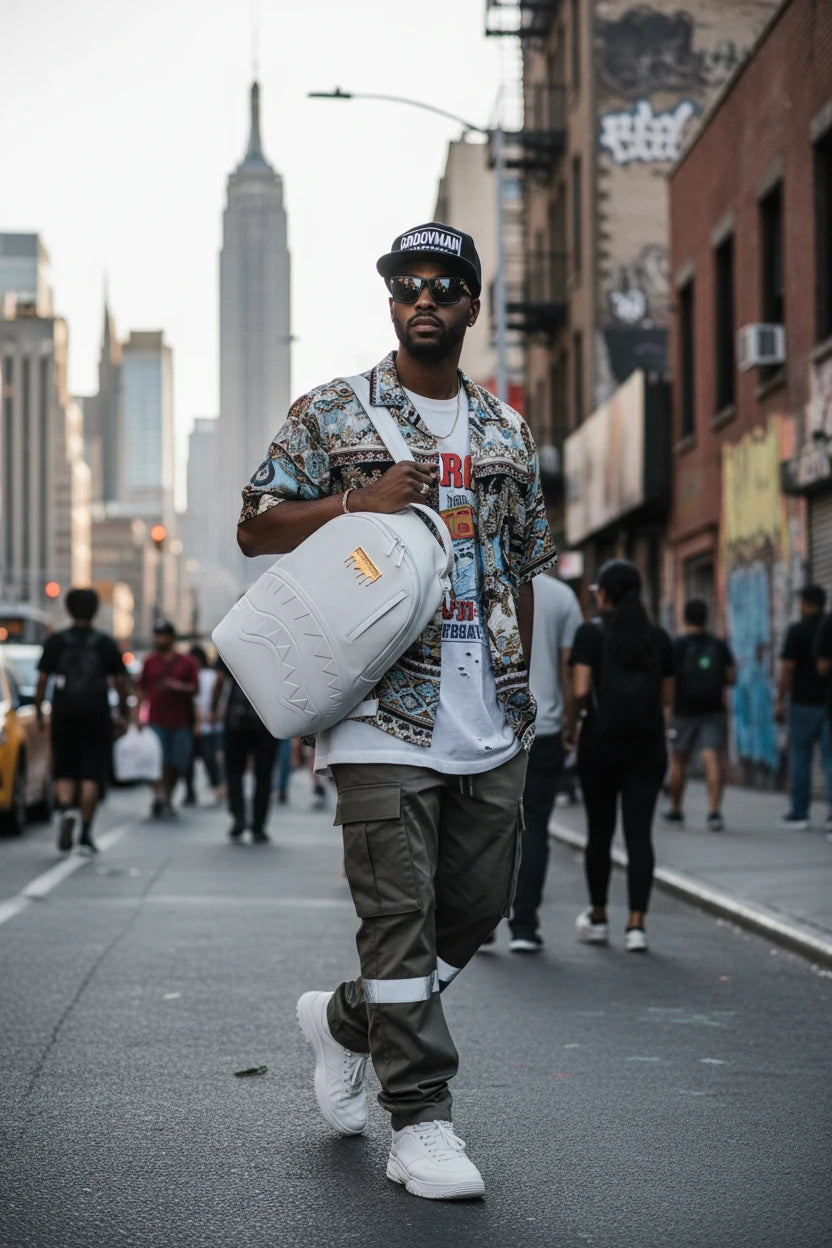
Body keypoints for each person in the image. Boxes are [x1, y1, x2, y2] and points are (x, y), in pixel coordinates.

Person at [236, 221, 556, 1200]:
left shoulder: (506, 431)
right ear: (390, 301)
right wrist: (353, 503)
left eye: (443, 285)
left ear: (467, 305)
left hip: (489, 715)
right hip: (380, 712)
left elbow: (524, 570)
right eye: (406, 283)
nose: (424, 298)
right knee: (399, 917)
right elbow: (255, 525)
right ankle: (419, 1122)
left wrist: (525, 687)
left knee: (475, 911)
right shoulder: (335, 413)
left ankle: (343, 1022)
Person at [566, 560, 674, 953]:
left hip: (601, 744)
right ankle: (636, 926)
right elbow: (666, 698)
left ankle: (598, 915)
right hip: (647, 746)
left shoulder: (589, 635)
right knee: (639, 833)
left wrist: (569, 726)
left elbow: (579, 690)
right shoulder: (659, 638)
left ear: (605, 594)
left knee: (600, 831)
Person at [508, 572, 582, 954]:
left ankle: (479, 925)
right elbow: (571, 670)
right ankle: (524, 926)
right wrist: (571, 722)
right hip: (546, 727)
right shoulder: (563, 597)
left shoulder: (491, 581)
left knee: (484, 827)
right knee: (534, 826)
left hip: (495, 727)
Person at [34, 587, 131, 854]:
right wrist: (124, 714)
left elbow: (42, 680)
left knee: (64, 770)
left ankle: (66, 810)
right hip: (96, 714)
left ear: (68, 609)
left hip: (64, 713)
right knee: (91, 773)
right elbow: (121, 682)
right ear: (95, 610)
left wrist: (40, 712)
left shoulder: (56, 642)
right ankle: (86, 833)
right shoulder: (104, 643)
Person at [663, 599, 735, 832]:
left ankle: (676, 811)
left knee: (678, 760)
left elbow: (668, 681)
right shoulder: (717, 644)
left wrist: (667, 709)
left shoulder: (678, 645)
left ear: (685, 617)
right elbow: (731, 677)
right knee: (712, 759)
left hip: (683, 711)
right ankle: (714, 813)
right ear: (706, 617)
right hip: (713, 710)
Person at [775, 585, 832, 830]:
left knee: (801, 759)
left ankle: (800, 813)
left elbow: (787, 668)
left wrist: (780, 699)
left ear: (807, 603)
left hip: (803, 703)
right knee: (830, 760)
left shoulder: (797, 631)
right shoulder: (828, 627)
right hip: (828, 703)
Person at [212, 658, 278, 843]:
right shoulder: (274, 643)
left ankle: (238, 816)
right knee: (263, 775)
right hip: (267, 717)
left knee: (234, 772)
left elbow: (219, 679)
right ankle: (258, 825)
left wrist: (213, 708)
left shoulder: (233, 638)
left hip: (236, 718)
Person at [137, 622, 199, 819]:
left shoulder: (187, 662)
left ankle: (167, 797)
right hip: (156, 720)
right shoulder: (150, 661)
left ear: (172, 637)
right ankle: (160, 796)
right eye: (157, 635)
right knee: (157, 761)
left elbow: (195, 688)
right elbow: (141, 689)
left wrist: (177, 686)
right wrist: (137, 715)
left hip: (180, 721)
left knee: (176, 763)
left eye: (163, 636)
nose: (159, 640)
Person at [185, 645, 224, 806]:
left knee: (205, 760)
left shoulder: (206, 676)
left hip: (205, 725)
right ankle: (193, 791)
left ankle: (211, 788)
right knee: (195, 760)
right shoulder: (204, 676)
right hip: (201, 725)